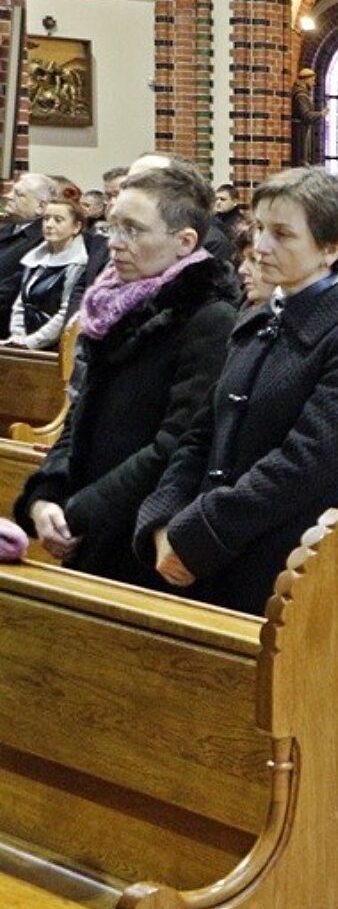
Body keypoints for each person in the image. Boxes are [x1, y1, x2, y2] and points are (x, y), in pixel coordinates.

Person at [134, 167, 338, 614]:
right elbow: (202, 433)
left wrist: (199, 533)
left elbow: (306, 463)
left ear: (330, 249)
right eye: (258, 228)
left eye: (282, 234)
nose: (260, 247)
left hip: (289, 563)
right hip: (210, 557)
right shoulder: (260, 315)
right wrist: (164, 519)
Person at [14, 164, 236, 590]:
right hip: (89, 524)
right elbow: (80, 415)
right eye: (114, 226)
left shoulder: (209, 319)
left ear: (184, 242)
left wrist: (82, 511)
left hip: (141, 537)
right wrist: (46, 495)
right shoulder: (116, 306)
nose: (115, 242)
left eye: (133, 230)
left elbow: (176, 443)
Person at [6, 196, 88, 350]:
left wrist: (31, 342)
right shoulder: (34, 258)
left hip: (54, 347)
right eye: (46, 219)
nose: (49, 225)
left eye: (58, 220)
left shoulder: (78, 263)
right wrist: (18, 336)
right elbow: (21, 303)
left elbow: (66, 312)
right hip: (24, 342)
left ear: (76, 227)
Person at [0, 173, 54, 316]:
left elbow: (13, 288)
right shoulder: (7, 227)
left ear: (40, 206)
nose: (8, 196)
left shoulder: (43, 240)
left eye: (19, 194)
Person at [290, 68, 325, 166]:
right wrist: (321, 114)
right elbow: (306, 115)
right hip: (300, 132)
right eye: (312, 80)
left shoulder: (303, 93)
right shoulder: (301, 95)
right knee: (301, 160)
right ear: (306, 79)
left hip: (302, 130)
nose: (314, 83)